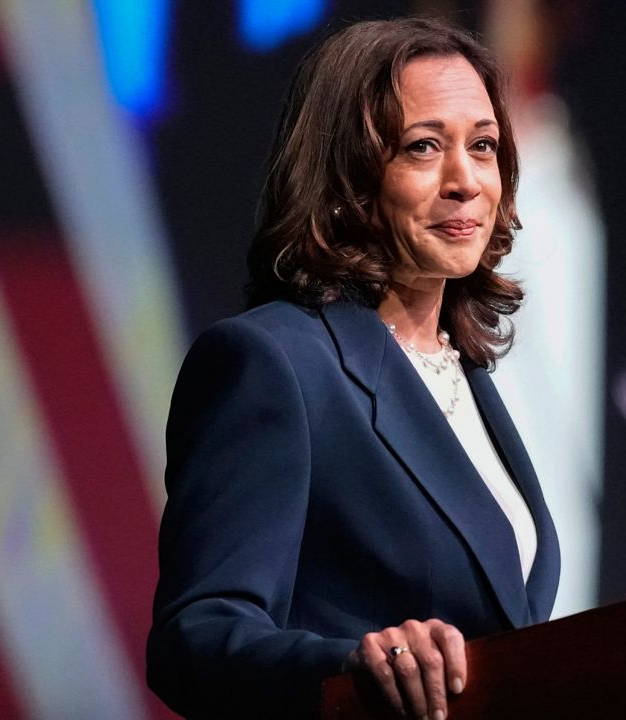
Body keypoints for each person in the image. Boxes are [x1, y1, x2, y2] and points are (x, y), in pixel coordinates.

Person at [147, 17, 561, 719]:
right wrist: (352, 663)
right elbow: (197, 636)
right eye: (424, 147)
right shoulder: (274, 364)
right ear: (347, 179)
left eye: (484, 146)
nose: (466, 181)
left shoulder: (466, 375)